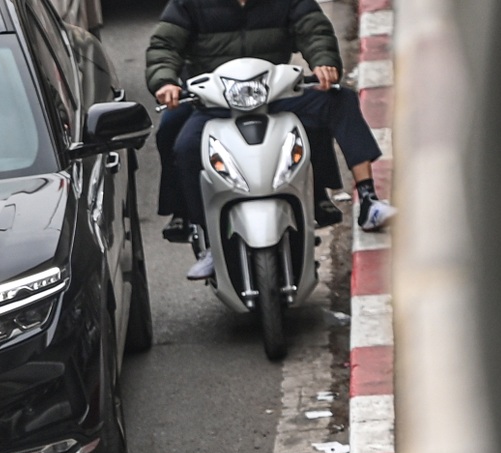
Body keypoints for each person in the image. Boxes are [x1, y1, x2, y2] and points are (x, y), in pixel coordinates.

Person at [144, 0, 397, 280]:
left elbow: (313, 30)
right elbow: (164, 46)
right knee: (184, 146)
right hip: (212, 101)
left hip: (273, 94)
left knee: (340, 100)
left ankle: (368, 199)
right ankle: (205, 237)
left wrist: (324, 61)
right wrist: (165, 81)